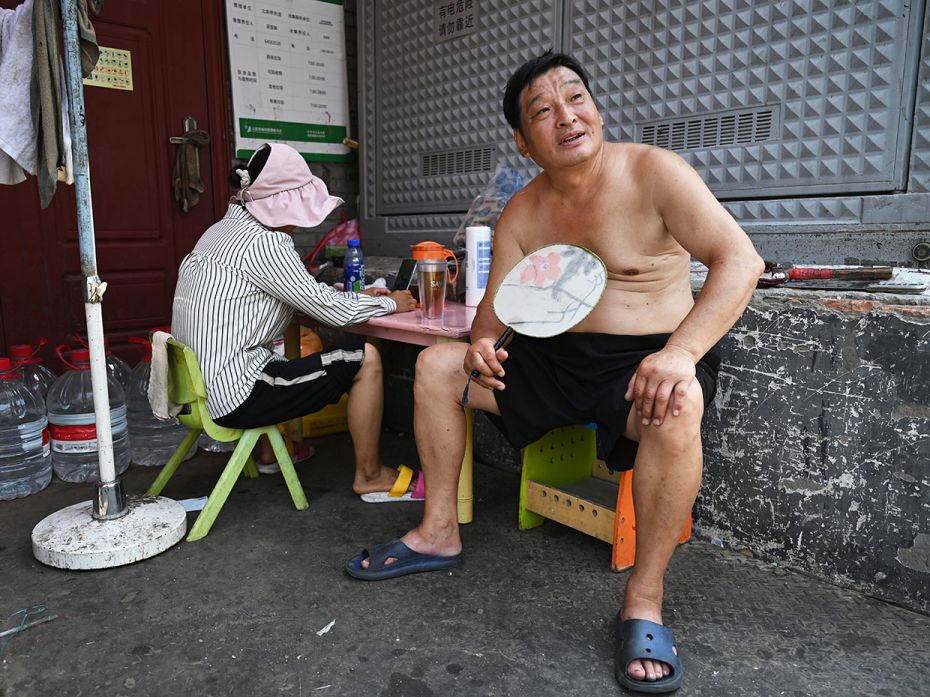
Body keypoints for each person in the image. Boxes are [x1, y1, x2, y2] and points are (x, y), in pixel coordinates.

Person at [345, 51, 764, 693]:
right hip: (552, 358)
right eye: (543, 110)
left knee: (679, 405)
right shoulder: (523, 211)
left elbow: (741, 261)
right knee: (435, 366)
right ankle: (437, 534)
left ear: (595, 108)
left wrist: (680, 354)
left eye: (576, 98)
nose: (567, 116)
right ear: (523, 140)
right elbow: (490, 319)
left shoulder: (655, 172)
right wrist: (482, 346)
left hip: (645, 356)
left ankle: (644, 600)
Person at [172, 142, 419, 499]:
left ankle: (271, 451)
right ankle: (370, 475)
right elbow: (330, 312)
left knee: (275, 356)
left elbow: (303, 295)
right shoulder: (265, 243)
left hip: (196, 395)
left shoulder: (217, 233)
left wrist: (357, 298)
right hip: (236, 397)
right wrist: (392, 304)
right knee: (366, 359)